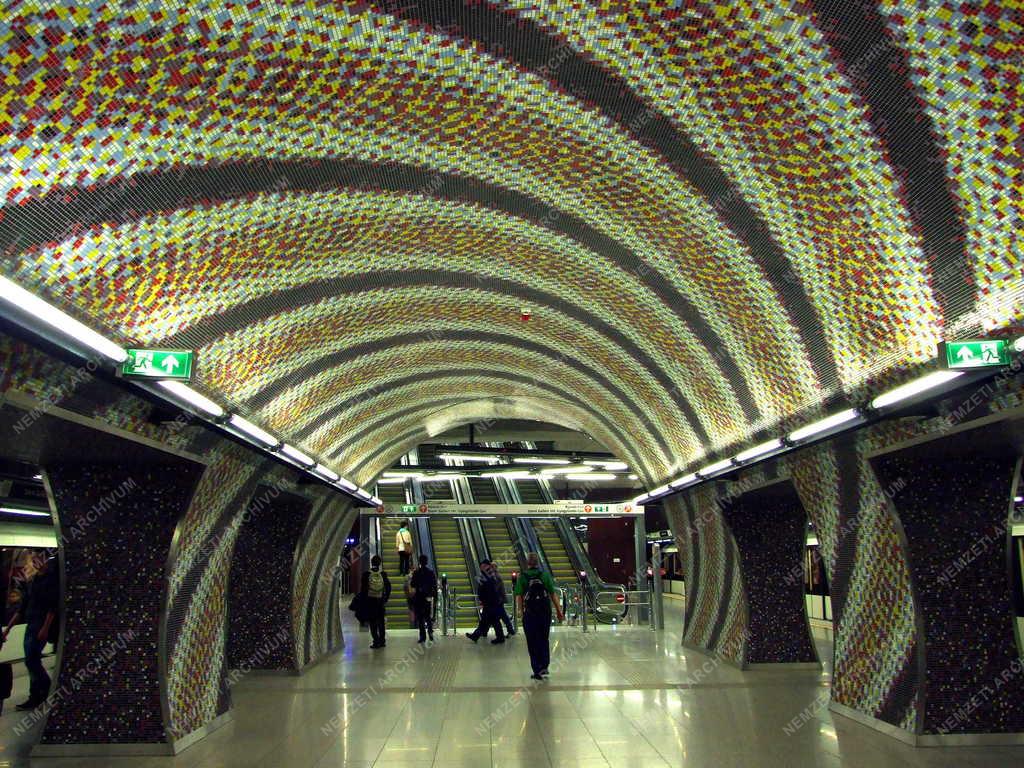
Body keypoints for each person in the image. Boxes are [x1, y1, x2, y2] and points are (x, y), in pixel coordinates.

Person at [2, 554, 58, 709]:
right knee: (32, 660)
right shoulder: (33, 582)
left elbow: (52, 607)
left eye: (38, 559)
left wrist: (45, 628)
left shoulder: (50, 581)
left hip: (39, 625)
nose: (36, 563)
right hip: (31, 624)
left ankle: (46, 691)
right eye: (34, 561)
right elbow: (22, 608)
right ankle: (37, 695)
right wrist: (8, 630)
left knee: (31, 661)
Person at [514, 553, 563, 680]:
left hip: (530, 613)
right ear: (538, 562)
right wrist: (559, 611)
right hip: (545, 611)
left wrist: (521, 611)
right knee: (544, 638)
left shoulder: (523, 577)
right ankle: (544, 666)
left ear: (527, 563)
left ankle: (536, 669)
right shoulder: (544, 575)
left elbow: (519, 596)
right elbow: (552, 594)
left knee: (532, 641)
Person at [465, 560, 505, 645]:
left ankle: (477, 635)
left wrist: (483, 598)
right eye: (481, 566)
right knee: (491, 620)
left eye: (483, 566)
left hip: (490, 602)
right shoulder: (488, 574)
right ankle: (498, 637)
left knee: (489, 620)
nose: (481, 568)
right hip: (490, 601)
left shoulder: (489, 575)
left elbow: (488, 588)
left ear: (487, 565)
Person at [359, 554, 391, 649]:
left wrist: (364, 601)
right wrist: (385, 598)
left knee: (373, 622)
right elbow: (388, 587)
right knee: (381, 621)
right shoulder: (383, 574)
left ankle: (376, 641)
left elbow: (363, 590)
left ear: (371, 562)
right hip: (380, 601)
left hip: (370, 601)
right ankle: (382, 641)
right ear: (380, 563)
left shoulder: (366, 574)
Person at [409, 555, 437, 644]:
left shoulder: (416, 573)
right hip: (427, 597)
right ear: (427, 562)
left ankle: (422, 636)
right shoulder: (430, 572)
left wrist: (419, 586)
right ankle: (430, 633)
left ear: (420, 562)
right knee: (427, 616)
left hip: (419, 597)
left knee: (420, 617)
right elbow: (434, 584)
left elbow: (412, 584)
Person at [493, 567, 515, 637]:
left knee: (503, 616)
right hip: (498, 600)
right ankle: (510, 630)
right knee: (500, 616)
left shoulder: (496, 577)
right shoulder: (495, 576)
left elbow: (495, 589)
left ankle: (510, 630)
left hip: (498, 600)